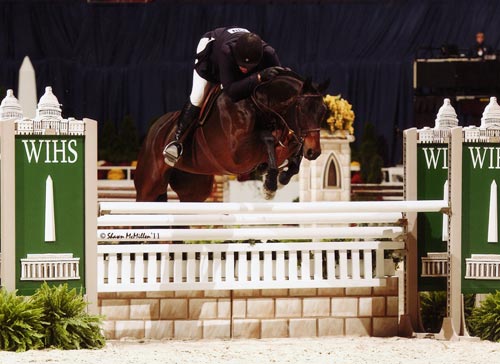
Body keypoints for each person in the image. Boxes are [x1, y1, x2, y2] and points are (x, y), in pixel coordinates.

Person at [163, 26, 283, 166]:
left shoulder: (269, 53)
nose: (243, 68)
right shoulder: (226, 51)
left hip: (237, 50)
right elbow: (231, 91)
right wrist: (257, 77)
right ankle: (177, 141)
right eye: (241, 64)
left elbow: (278, 84)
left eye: (248, 66)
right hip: (212, 53)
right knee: (198, 95)